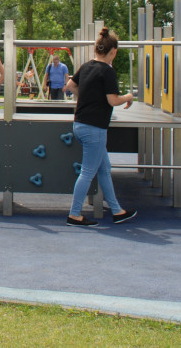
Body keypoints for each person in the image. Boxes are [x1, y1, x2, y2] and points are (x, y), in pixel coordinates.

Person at [64, 28, 137, 227]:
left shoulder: (87, 66)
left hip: (80, 124)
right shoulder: (107, 71)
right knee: (88, 172)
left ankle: (117, 210)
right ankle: (74, 214)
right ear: (113, 51)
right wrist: (128, 97)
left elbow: (70, 86)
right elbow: (113, 100)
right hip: (95, 128)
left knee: (104, 169)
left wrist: (87, 95)